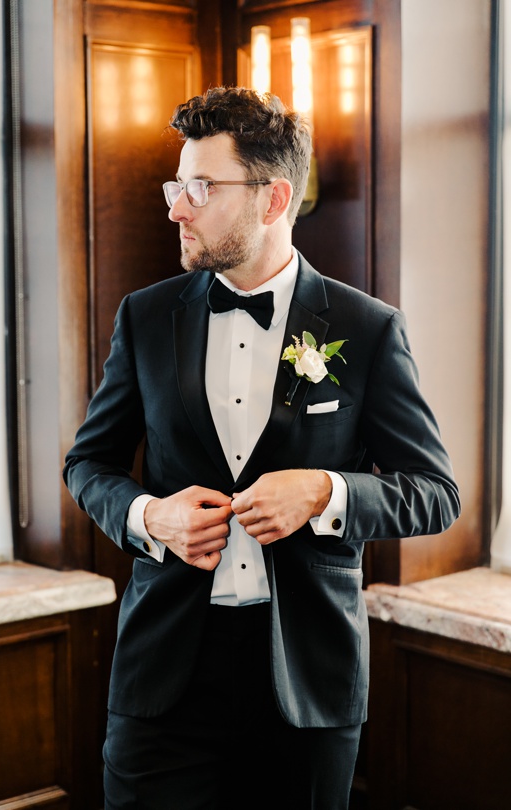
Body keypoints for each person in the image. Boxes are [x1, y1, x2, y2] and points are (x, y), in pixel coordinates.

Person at [63, 87, 459, 809]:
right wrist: (150, 516)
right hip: (163, 677)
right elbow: (87, 465)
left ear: (273, 200)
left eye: (200, 187)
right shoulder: (146, 318)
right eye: (176, 186)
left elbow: (435, 493)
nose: (176, 206)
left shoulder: (368, 330)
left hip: (306, 684)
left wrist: (326, 494)